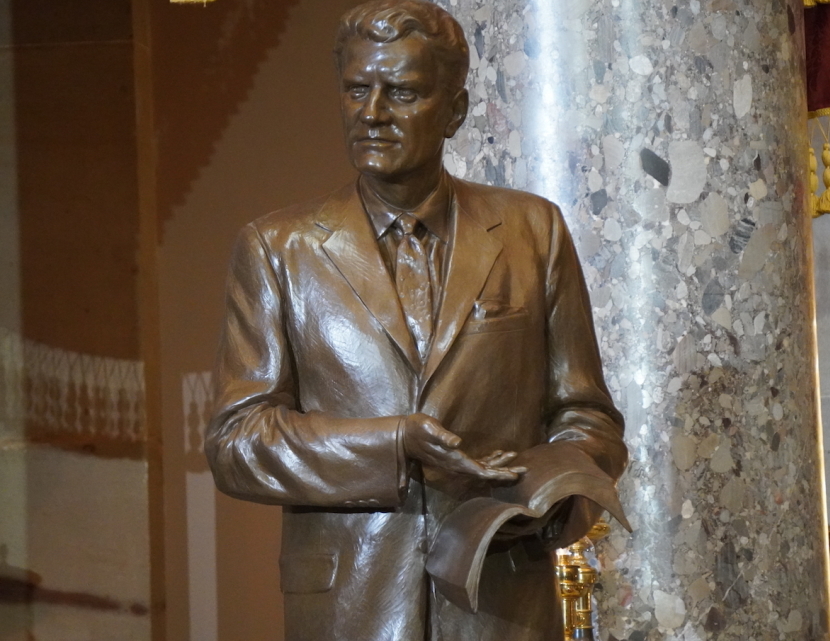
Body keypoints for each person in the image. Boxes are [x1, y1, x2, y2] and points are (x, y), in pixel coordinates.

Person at [205, 1, 627, 639]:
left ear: (454, 112)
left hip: (502, 601)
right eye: (356, 90)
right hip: (351, 606)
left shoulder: (531, 231)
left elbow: (588, 417)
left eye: (400, 92)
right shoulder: (277, 248)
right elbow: (238, 442)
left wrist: (541, 496)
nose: (371, 113)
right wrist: (391, 443)